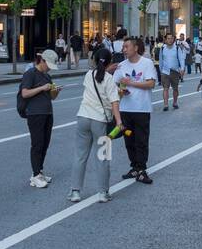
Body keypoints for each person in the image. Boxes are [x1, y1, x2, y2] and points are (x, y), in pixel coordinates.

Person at [67, 46, 122, 203]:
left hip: (83, 117)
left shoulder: (88, 75)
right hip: (100, 121)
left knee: (80, 156)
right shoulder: (110, 79)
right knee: (103, 157)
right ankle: (103, 193)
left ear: (94, 60)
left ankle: (75, 191)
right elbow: (114, 102)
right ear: (110, 62)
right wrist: (119, 121)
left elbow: (98, 75)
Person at [113, 36, 158, 183]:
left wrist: (131, 83)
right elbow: (114, 86)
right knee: (129, 140)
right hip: (125, 109)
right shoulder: (121, 66)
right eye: (123, 47)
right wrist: (121, 90)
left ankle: (142, 169)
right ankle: (134, 167)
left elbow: (151, 83)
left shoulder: (147, 63)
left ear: (135, 48)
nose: (124, 50)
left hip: (142, 109)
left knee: (141, 140)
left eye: (126, 47)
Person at [19, 51, 58, 187]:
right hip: (35, 113)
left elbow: (52, 97)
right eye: (49, 65)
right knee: (37, 144)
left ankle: (39, 171)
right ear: (42, 61)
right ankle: (35, 175)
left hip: (47, 112)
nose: (49, 68)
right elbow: (25, 93)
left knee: (45, 143)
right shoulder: (30, 73)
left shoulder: (47, 76)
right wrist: (42, 88)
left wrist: (55, 91)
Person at [159, 32, 187, 112]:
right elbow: (161, 60)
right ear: (165, 39)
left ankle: (175, 102)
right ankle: (166, 104)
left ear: (174, 39)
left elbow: (181, 59)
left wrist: (182, 68)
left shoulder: (177, 48)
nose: (170, 40)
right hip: (165, 71)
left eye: (171, 38)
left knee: (175, 89)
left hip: (175, 71)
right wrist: (161, 70)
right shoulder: (163, 48)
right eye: (168, 38)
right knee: (165, 88)